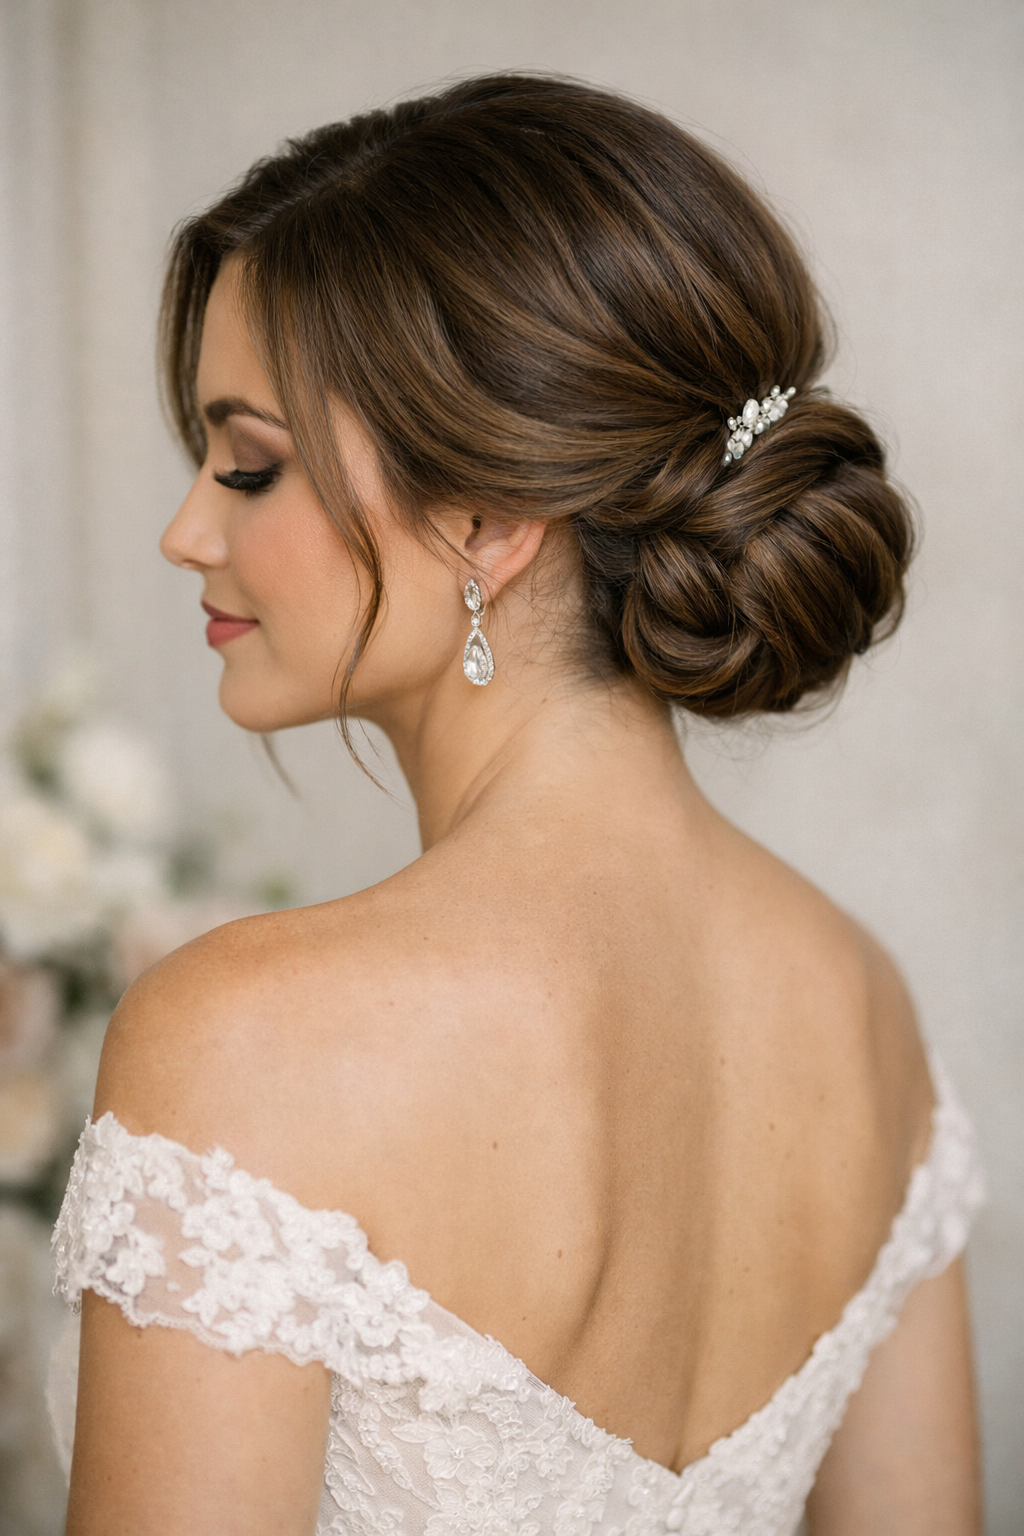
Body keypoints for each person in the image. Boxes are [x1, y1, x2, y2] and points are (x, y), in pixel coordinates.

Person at [50, 74, 984, 1535]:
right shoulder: (866, 1011)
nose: (188, 530)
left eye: (250, 464)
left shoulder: (242, 1043)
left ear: (489, 520)